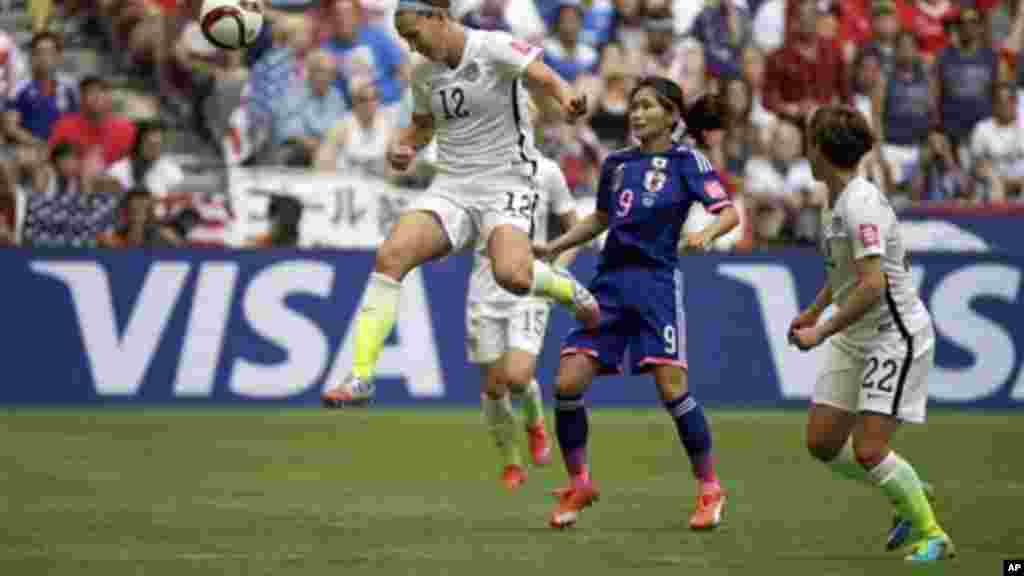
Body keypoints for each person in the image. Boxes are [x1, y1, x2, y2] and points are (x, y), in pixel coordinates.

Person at [321, 0, 597, 407]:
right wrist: (405, 147)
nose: (412, 46)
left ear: (437, 17)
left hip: (507, 180)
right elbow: (423, 125)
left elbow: (542, 73)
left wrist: (567, 96)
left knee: (513, 276)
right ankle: (360, 376)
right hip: (451, 185)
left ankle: (568, 290)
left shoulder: (493, 46)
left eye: (414, 35)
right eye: (404, 40)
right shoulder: (423, 72)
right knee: (391, 255)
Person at [533, 76, 739, 530]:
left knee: (672, 389)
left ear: (671, 114)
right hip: (609, 285)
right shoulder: (617, 163)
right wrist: (556, 245)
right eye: (634, 106)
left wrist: (706, 233)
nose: (637, 114)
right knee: (567, 383)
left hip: (655, 285)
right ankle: (580, 483)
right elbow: (601, 218)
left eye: (647, 106)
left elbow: (729, 212)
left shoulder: (688, 161)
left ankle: (709, 488)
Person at [789, 105, 954, 563]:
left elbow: (873, 285)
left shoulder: (859, 203)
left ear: (821, 150)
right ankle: (906, 488)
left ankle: (932, 534)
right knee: (823, 441)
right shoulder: (836, 198)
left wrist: (821, 332)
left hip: (891, 335)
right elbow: (845, 274)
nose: (806, 150)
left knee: (868, 448)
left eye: (809, 142)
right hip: (855, 333)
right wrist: (813, 311)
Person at [468, 154, 579, 490]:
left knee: (517, 377)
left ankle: (535, 424)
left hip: (527, 289)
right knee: (493, 387)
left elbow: (576, 228)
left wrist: (555, 270)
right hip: (485, 293)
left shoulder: (547, 171)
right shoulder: (476, 168)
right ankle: (512, 462)